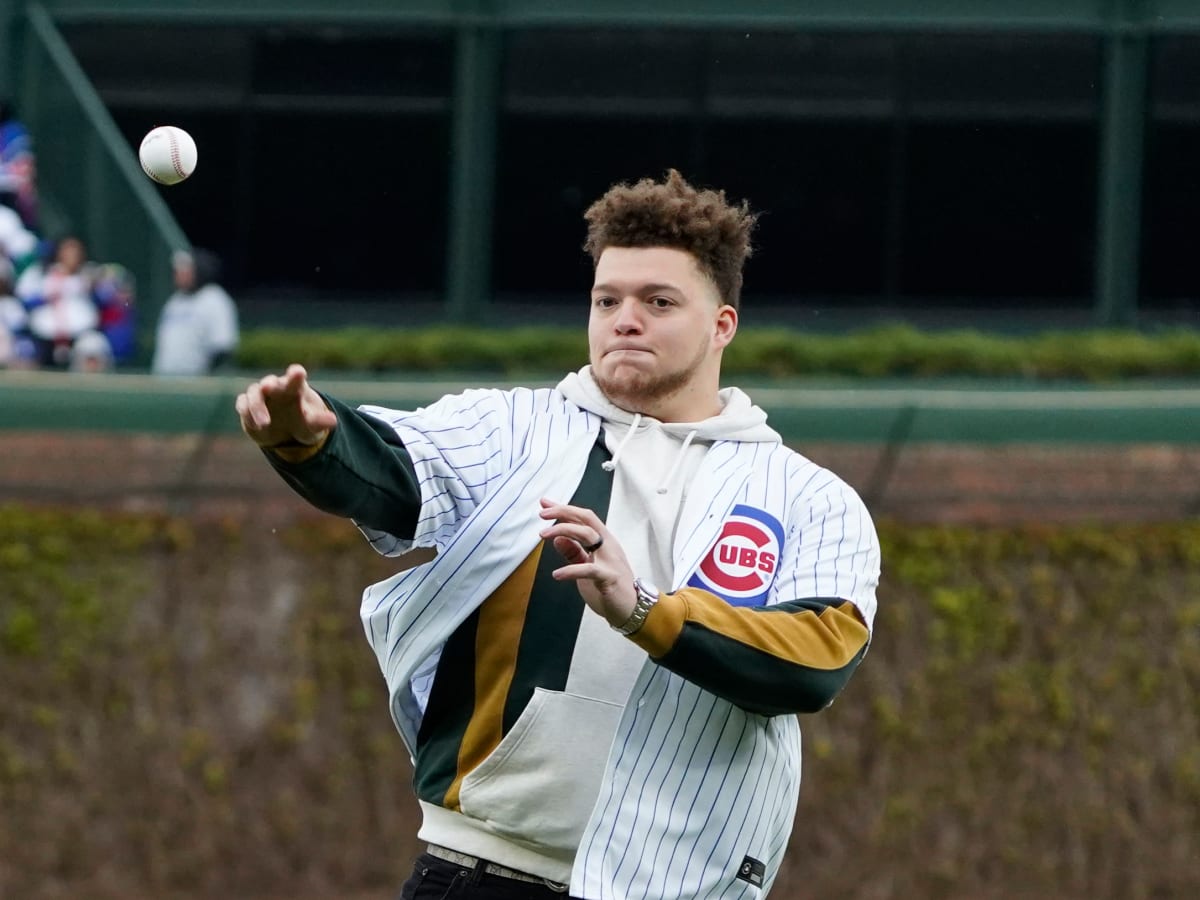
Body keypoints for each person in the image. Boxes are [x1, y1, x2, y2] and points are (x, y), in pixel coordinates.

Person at [235, 170, 881, 899]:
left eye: (658, 302)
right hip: (480, 872)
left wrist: (642, 610)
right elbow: (390, 470)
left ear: (722, 324)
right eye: (607, 300)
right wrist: (313, 442)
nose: (624, 319)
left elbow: (815, 663)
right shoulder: (514, 427)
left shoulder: (809, 497)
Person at [151, 248, 239, 375]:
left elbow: (223, 348)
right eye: (178, 270)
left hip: (197, 386)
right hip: (166, 384)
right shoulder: (175, 301)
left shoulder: (214, 299)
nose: (179, 274)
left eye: (185, 269)